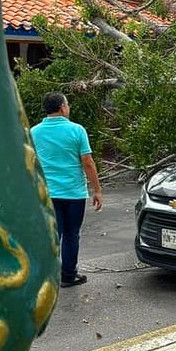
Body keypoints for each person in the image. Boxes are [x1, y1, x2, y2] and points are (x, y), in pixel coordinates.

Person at [31, 92, 103, 287]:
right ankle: (69, 275)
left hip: (47, 193)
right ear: (62, 107)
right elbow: (87, 162)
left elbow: (30, 162)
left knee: (52, 235)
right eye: (68, 104)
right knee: (71, 234)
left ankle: (47, 276)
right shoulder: (77, 130)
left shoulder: (34, 132)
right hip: (73, 193)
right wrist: (97, 190)